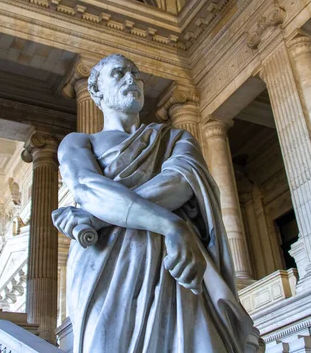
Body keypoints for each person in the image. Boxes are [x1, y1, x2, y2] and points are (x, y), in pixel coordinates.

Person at [52, 54, 259, 353]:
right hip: (107, 262)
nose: (131, 79)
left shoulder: (176, 138)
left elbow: (180, 182)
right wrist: (170, 223)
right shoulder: (78, 142)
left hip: (172, 261)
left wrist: (99, 218)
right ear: (96, 91)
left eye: (136, 74)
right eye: (119, 73)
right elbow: (87, 189)